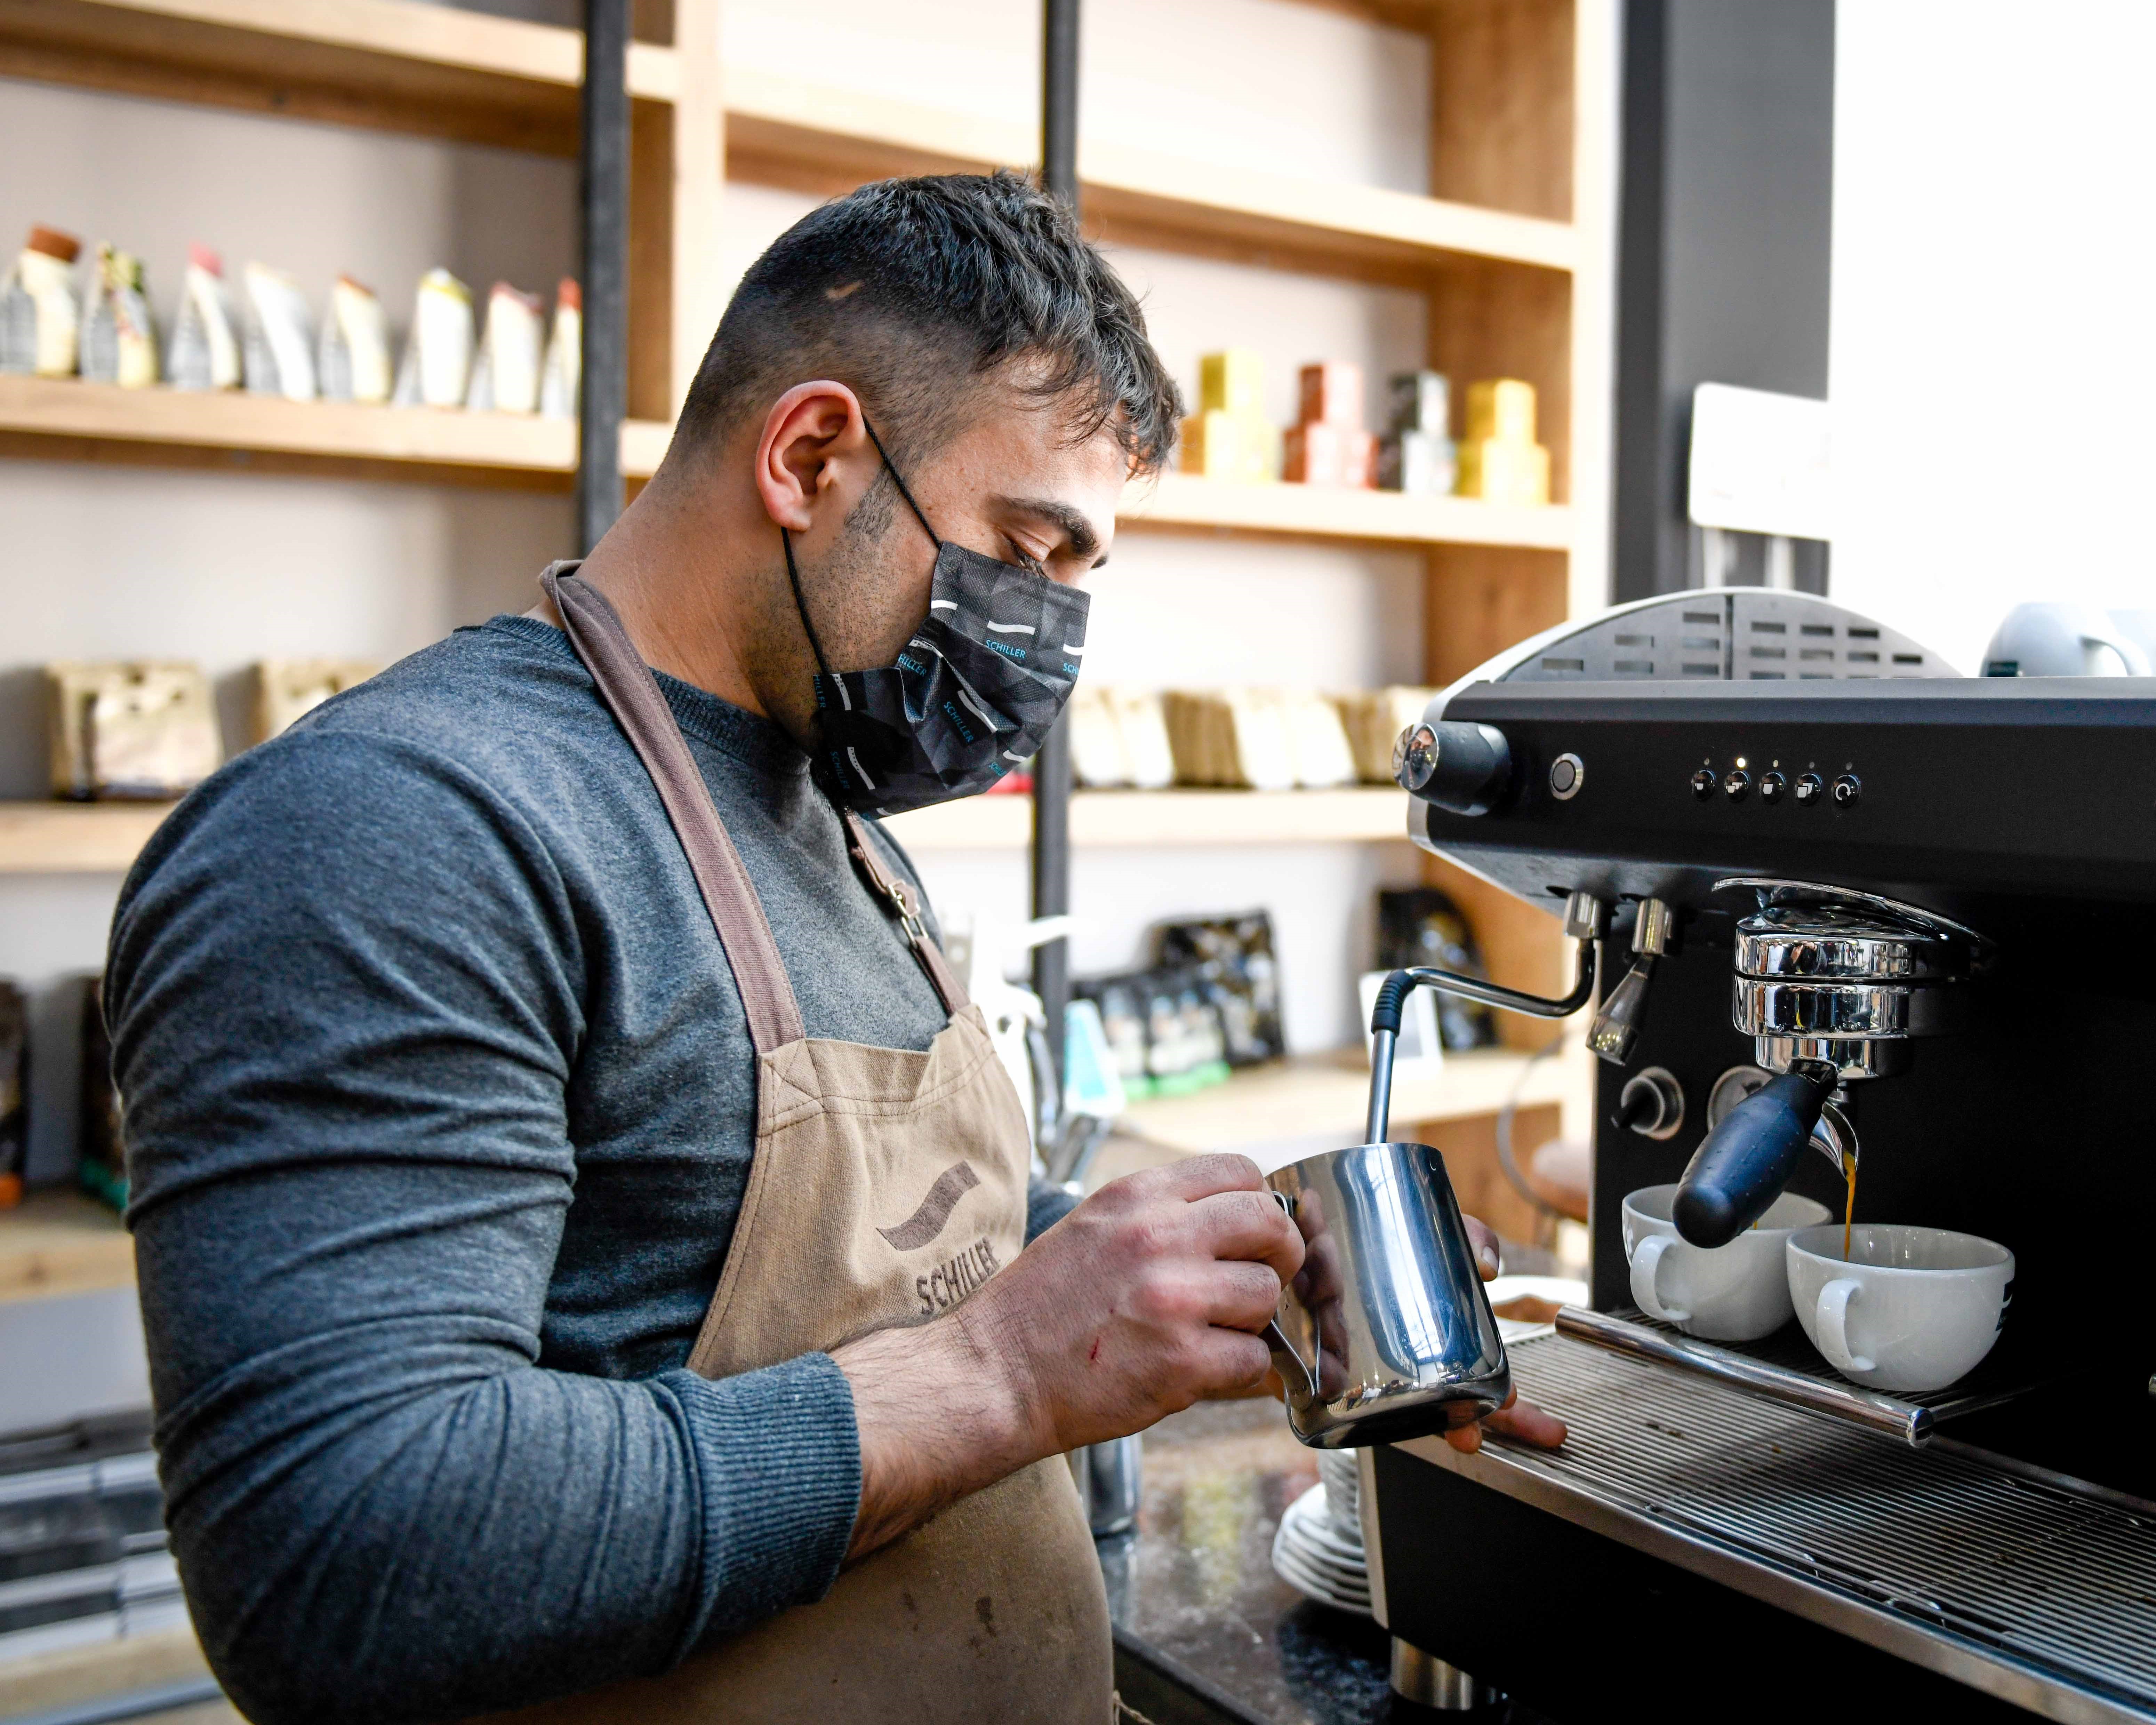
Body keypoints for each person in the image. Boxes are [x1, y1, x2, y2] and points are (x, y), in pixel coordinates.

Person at [106, 170, 1563, 1725]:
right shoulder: (391, 830)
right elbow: (340, 1556)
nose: (1046, 633)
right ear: (809, 455)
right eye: (1023, 547)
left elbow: (896, 1246)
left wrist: (1244, 1274)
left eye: (1080, 579)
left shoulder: (828, 801)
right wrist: (1005, 1372)